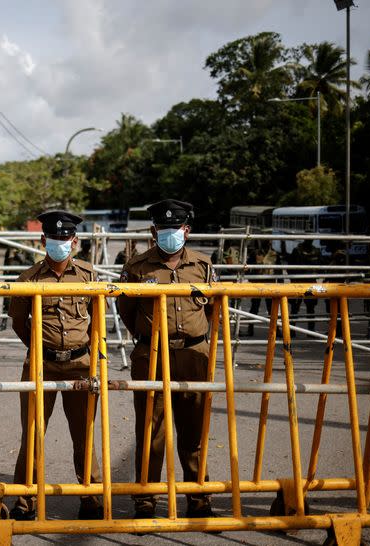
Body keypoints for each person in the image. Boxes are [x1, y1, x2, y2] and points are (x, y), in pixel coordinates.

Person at [118, 199, 217, 520]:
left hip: (194, 354)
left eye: (174, 229)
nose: (169, 234)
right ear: (153, 231)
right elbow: (127, 312)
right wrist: (150, 337)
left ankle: (197, 498)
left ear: (186, 231)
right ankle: (145, 501)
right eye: (163, 229)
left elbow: (212, 307)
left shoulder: (203, 264)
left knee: (194, 430)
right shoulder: (137, 266)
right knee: (151, 432)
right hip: (152, 354)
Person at [7, 210, 103, 521]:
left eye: (66, 238)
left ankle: (91, 497)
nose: (60, 242)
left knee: (84, 433)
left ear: (74, 241)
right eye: (54, 238)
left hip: (81, 364)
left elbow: (98, 321)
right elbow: (19, 322)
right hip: (41, 364)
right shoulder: (29, 278)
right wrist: (41, 349)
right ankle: (25, 500)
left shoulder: (89, 276)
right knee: (32, 434)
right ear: (43, 240)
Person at [0, 245, 36, 331]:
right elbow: (6, 262)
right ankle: (4, 322)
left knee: (24, 303)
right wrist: (5, 276)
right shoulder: (10, 248)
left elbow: (32, 264)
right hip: (10, 278)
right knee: (7, 302)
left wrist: (22, 259)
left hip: (22, 278)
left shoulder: (27, 249)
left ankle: (25, 324)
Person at [247, 240, 279, 336]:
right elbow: (248, 266)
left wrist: (280, 283)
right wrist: (251, 279)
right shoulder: (255, 253)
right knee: (254, 307)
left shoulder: (274, 253)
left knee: (272, 308)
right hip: (258, 284)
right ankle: (250, 329)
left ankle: (275, 329)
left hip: (270, 284)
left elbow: (279, 269)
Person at [289, 239, 321, 333]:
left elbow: (320, 266)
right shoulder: (297, 251)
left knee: (310, 308)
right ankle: (291, 330)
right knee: (295, 308)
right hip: (298, 283)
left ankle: (310, 330)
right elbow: (290, 267)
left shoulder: (316, 252)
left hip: (309, 283)